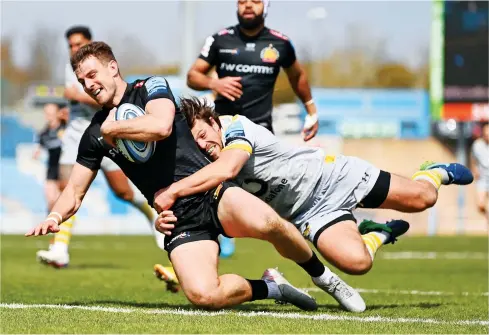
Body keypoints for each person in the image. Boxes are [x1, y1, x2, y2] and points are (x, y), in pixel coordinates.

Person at [25, 41, 366, 313]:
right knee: (204, 295)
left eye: (92, 73)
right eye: (82, 80)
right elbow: (75, 191)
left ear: (113, 67)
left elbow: (160, 126)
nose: (89, 83)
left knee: (269, 222)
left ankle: (324, 278)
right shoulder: (93, 135)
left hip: (210, 190)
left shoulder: (150, 88)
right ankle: (272, 287)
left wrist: (114, 126)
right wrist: (55, 215)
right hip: (178, 218)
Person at [153, 98, 475, 278]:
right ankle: (379, 232)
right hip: (308, 212)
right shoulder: (204, 168)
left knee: (424, 199)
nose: (202, 144)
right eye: (193, 143)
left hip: (334, 177)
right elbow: (201, 218)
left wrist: (173, 190)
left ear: (212, 120)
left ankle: (432, 173)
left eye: (201, 134)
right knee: (358, 264)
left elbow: (230, 167)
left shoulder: (236, 126)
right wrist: (166, 223)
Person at [187, 0, 319, 256]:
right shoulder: (220, 40)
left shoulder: (280, 43)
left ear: (266, 6)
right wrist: (215, 83)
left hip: (261, 134)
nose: (248, 5)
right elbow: (193, 75)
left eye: (255, 1)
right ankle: (205, 245)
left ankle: (318, 233)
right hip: (222, 133)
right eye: (242, 1)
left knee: (278, 197)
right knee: (212, 188)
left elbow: (297, 76)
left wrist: (311, 109)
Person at [36, 26, 162, 268]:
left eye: (79, 43)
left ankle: (153, 215)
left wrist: (77, 96)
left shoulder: (99, 66)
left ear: (90, 42)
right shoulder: (69, 68)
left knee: (122, 192)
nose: (75, 49)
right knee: (68, 188)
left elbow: (106, 100)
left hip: (109, 132)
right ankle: (60, 248)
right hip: (76, 138)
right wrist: (68, 110)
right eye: (71, 45)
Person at [32, 103, 66, 212]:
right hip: (52, 169)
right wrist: (36, 154)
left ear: (58, 114)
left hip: (66, 169)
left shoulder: (67, 129)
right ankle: (50, 226)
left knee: (64, 202)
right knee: (51, 200)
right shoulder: (43, 133)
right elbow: (37, 149)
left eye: (51, 113)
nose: (49, 116)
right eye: (47, 113)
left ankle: (64, 228)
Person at [471, 122, 489, 219]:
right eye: (486, 134)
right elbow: (473, 159)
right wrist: (474, 169)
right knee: (480, 205)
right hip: (482, 178)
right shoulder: (477, 145)